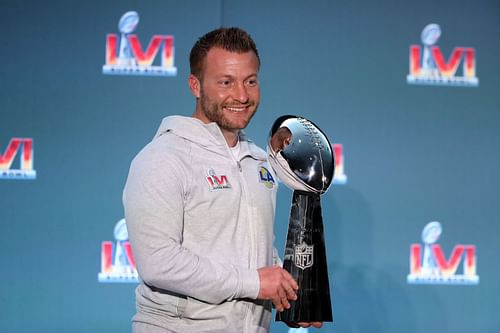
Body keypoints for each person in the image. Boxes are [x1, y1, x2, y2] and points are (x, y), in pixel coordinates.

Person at [123, 27, 321, 333]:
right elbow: (159, 263)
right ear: (195, 85)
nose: (241, 95)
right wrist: (255, 283)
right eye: (226, 82)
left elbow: (253, 252)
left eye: (250, 81)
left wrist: (285, 295)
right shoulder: (162, 158)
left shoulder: (258, 161)